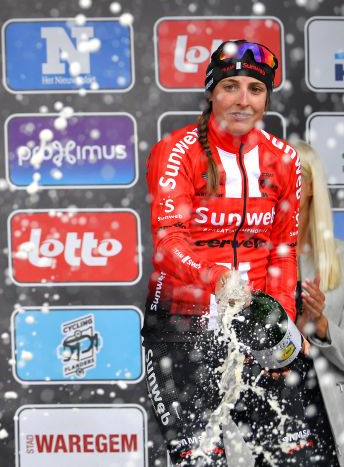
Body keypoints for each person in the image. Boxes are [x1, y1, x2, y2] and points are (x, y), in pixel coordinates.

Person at [141, 39, 335, 465]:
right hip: (182, 328)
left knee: (300, 457)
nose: (242, 101)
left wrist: (281, 325)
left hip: (255, 324)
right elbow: (170, 240)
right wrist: (218, 279)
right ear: (212, 92)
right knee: (201, 459)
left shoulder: (283, 159)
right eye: (231, 86)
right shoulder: (176, 151)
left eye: (255, 88)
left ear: (266, 97)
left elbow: (283, 251)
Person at [291, 139, 344, 464]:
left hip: (328, 420)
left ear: (311, 186)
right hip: (267, 414)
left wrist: (323, 328)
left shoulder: (340, 257)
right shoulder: (249, 257)